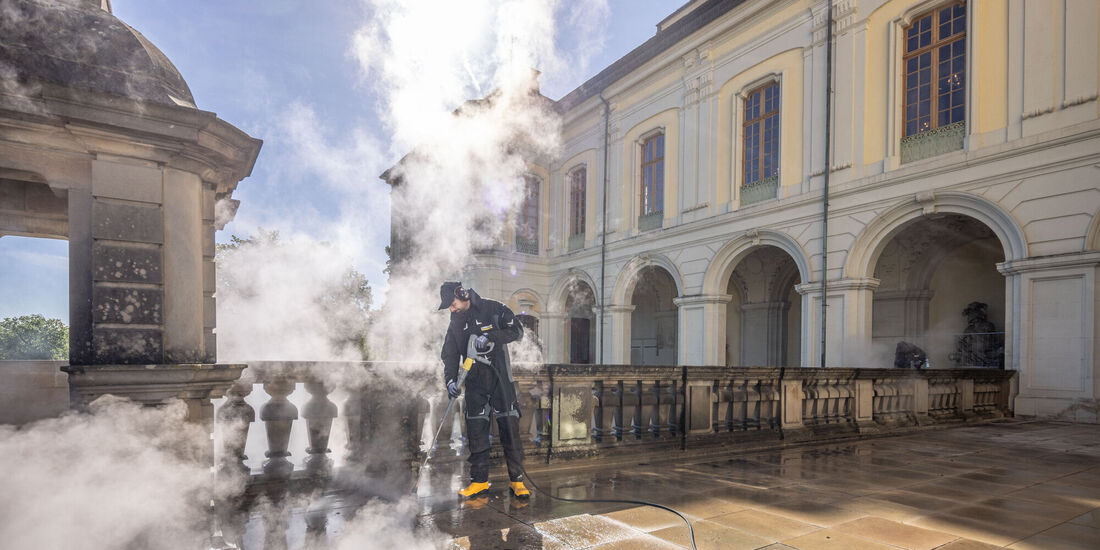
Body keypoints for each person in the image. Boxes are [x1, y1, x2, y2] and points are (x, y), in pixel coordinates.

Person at [438, 281, 530, 499]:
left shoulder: (494, 309)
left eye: (452, 303)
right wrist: (450, 381)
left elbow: (517, 331)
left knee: (510, 431)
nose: (451, 308)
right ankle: (479, 482)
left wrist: (491, 336)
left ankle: (517, 481)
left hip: (501, 380)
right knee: (476, 432)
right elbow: (450, 355)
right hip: (475, 383)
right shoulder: (456, 322)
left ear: (463, 294)